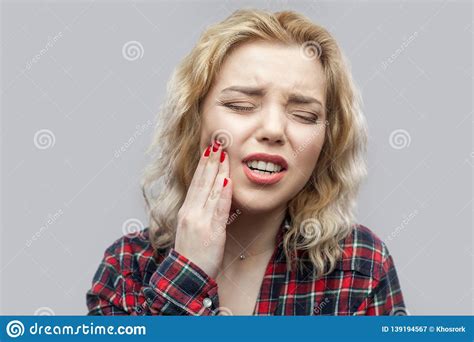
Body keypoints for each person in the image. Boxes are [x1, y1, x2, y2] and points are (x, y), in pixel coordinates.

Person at [86, 8, 407, 316]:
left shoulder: (360, 268)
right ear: (194, 120)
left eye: (304, 115)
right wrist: (188, 274)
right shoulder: (128, 269)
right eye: (241, 105)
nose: (272, 130)